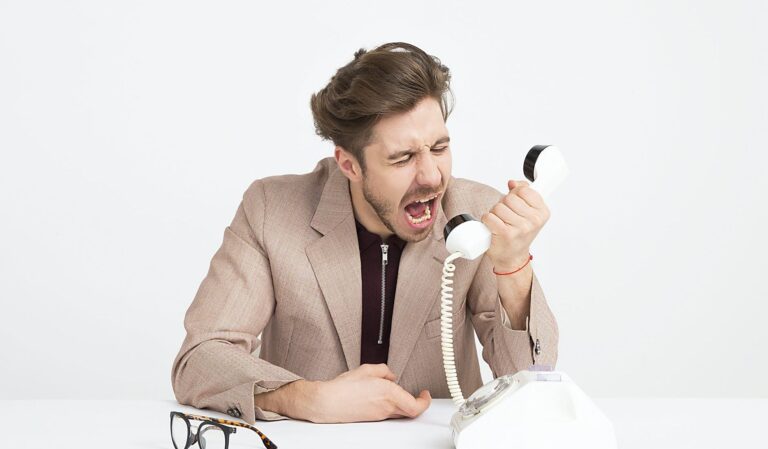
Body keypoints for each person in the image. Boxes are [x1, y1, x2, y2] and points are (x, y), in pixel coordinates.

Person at [171, 42, 559, 425]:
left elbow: (533, 381)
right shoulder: (271, 209)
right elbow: (200, 359)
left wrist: (512, 266)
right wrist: (304, 398)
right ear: (349, 164)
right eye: (403, 157)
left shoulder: (475, 214)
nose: (432, 176)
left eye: (439, 147)